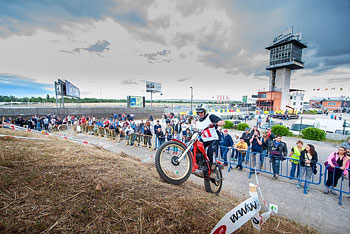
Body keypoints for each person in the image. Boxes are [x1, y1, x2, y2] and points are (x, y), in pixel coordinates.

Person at [195, 104, 225, 172]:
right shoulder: (198, 122)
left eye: (202, 112)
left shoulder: (210, 117)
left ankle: (212, 167)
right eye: (199, 112)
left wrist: (215, 124)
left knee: (210, 151)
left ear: (205, 111)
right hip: (205, 139)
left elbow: (223, 122)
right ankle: (201, 165)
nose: (200, 114)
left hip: (213, 139)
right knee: (196, 148)